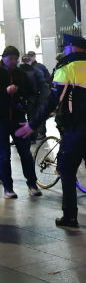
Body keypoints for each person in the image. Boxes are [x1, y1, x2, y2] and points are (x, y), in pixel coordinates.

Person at [16, 34, 86, 229]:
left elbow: (53, 101)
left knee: (67, 170)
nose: (64, 50)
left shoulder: (66, 70)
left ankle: (70, 216)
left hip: (74, 128)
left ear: (71, 48)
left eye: (65, 47)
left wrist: (32, 125)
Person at [1, 46, 42, 199]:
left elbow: (30, 92)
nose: (13, 61)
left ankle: (32, 184)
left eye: (15, 58)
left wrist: (20, 93)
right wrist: (5, 92)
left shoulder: (20, 73)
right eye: (10, 58)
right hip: (2, 120)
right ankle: (8, 188)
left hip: (18, 118)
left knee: (25, 153)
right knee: (4, 155)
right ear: (4, 58)